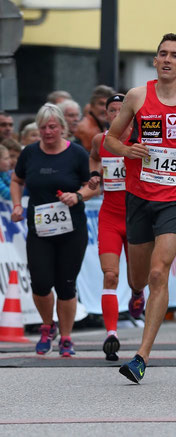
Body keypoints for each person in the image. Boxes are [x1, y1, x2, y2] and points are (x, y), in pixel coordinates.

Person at [104, 33, 176, 383]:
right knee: (138, 279)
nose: (168, 59)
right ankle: (137, 296)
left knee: (160, 272)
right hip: (140, 195)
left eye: (175, 55)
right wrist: (127, 151)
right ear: (155, 62)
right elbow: (111, 138)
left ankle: (141, 357)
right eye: (162, 54)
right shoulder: (138, 97)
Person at [10, 103, 98, 357]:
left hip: (72, 229)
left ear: (62, 128)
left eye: (52, 127)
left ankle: (67, 337)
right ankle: (47, 326)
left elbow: (93, 186)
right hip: (40, 229)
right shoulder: (29, 153)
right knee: (40, 283)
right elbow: (17, 180)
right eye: (43, 128)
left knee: (66, 284)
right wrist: (17, 205)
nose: (48, 132)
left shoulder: (77, 154)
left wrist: (78, 196)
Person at [88, 93, 143, 361]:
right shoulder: (101, 140)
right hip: (110, 216)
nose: (116, 114)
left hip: (136, 217)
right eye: (112, 110)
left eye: (122, 110)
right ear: (107, 115)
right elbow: (94, 157)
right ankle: (112, 334)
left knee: (136, 279)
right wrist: (95, 175)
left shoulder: (140, 140)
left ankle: (136, 294)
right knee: (110, 275)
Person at [75, 85, 115, 152]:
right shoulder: (86, 129)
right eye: (101, 104)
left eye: (108, 104)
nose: (105, 109)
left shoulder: (101, 126)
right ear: (92, 106)